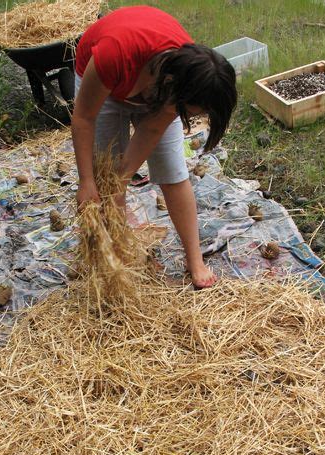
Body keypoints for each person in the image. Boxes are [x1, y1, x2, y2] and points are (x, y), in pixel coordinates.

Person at [72, 5, 237, 288]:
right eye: (189, 111)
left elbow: (152, 127)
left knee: (172, 173)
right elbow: (84, 118)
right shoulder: (114, 55)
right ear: (171, 85)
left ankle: (194, 259)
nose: (190, 117)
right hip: (108, 86)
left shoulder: (187, 75)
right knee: (104, 178)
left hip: (154, 87)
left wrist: (122, 177)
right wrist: (87, 181)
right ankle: (117, 258)